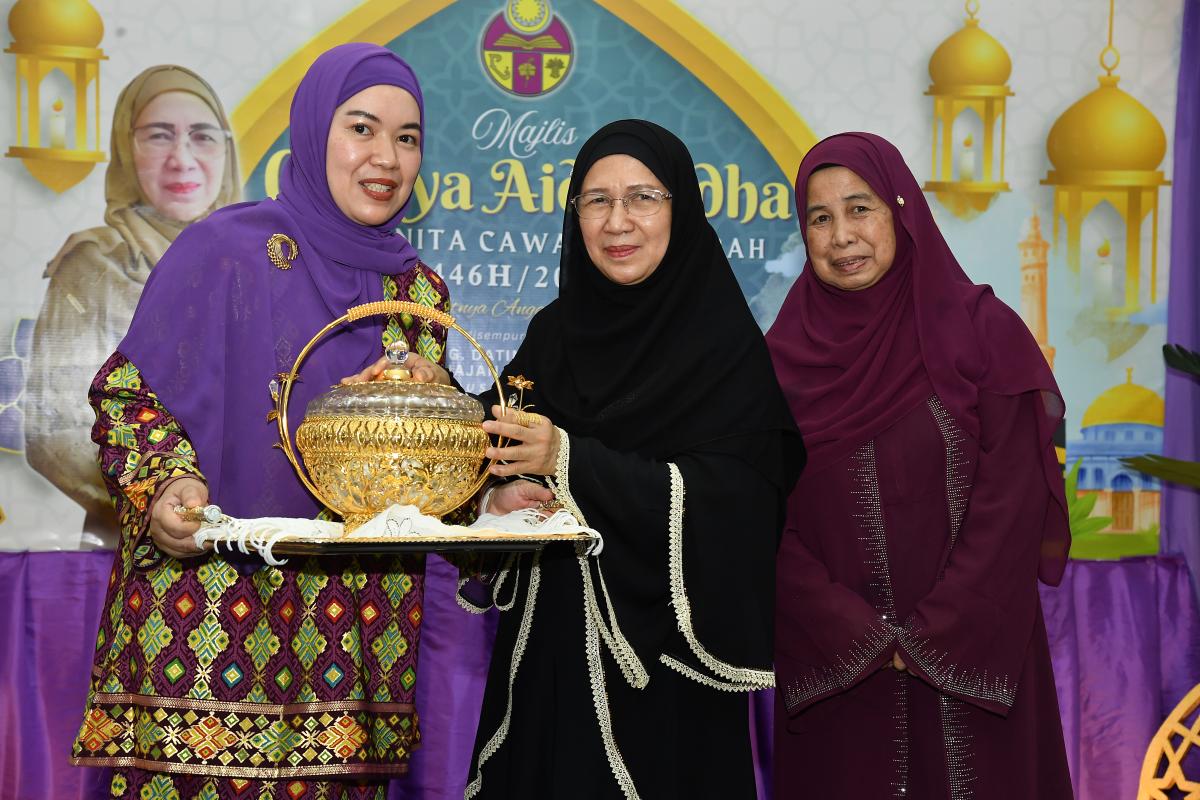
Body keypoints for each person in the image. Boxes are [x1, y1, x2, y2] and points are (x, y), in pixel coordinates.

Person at [70, 44, 457, 799]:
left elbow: (417, 483)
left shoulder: (418, 296)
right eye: (362, 128)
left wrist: (444, 414)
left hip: (350, 652)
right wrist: (166, 484)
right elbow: (127, 395)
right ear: (312, 134)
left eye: (407, 138)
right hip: (203, 633)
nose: (387, 157)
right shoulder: (224, 250)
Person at [458, 119, 804, 799]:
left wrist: (570, 459)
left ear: (681, 206)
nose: (618, 221)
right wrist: (456, 438)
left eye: (643, 197)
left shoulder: (724, 346)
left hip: (667, 678)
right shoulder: (554, 333)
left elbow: (739, 503)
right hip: (550, 659)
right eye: (597, 200)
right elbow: (499, 436)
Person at [766, 132, 1073, 798]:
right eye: (819, 218)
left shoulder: (983, 332)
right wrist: (853, 634)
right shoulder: (778, 364)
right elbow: (758, 516)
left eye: (860, 208)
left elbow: (1015, 496)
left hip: (978, 661)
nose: (842, 236)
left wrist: (935, 634)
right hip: (838, 673)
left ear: (901, 210)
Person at [25, 65, 240, 547]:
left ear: (227, 150)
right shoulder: (94, 264)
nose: (182, 159)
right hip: (130, 546)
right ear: (126, 150)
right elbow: (54, 434)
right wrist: (157, 499)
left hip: (253, 547)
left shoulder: (261, 259)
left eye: (203, 136)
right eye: (159, 136)